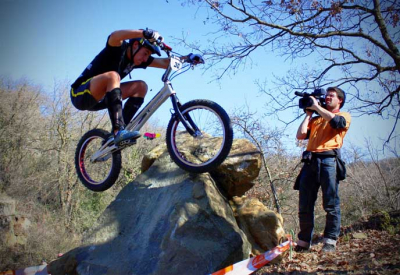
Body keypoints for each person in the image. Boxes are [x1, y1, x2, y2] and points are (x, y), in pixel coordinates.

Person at [71, 28, 173, 146]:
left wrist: (188, 58)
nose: (146, 59)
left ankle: (119, 134)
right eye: (145, 53)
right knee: (113, 76)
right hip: (81, 94)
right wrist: (144, 34)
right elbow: (114, 36)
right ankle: (118, 131)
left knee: (141, 87)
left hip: (105, 97)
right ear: (135, 45)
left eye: (148, 55)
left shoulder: (137, 59)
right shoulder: (119, 48)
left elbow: (165, 63)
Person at [295, 87, 351, 253]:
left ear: (339, 100)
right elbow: (300, 135)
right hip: (310, 161)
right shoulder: (316, 119)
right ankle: (303, 242)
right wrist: (308, 114)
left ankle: (330, 240)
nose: (327, 98)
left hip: (329, 161)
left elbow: (336, 123)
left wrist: (317, 107)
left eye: (331, 96)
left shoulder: (343, 116)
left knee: (330, 203)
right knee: (305, 204)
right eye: (326, 96)